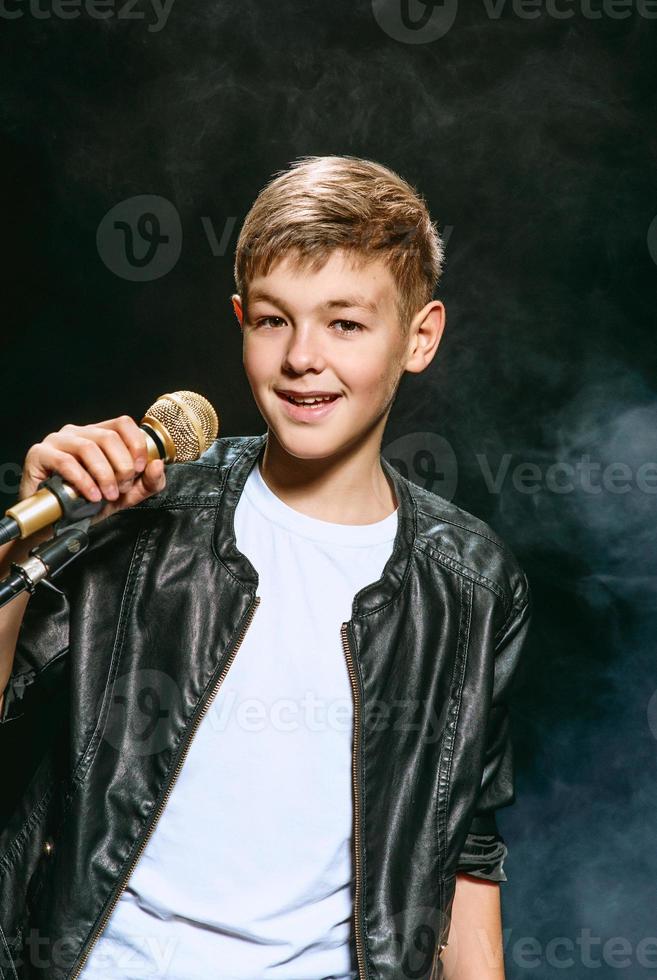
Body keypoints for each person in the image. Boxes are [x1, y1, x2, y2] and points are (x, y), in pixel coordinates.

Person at [0, 155, 532, 980]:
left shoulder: (470, 584)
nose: (301, 358)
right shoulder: (140, 510)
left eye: (345, 324)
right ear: (241, 320)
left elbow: (464, 855)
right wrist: (19, 549)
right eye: (274, 321)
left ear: (419, 336)